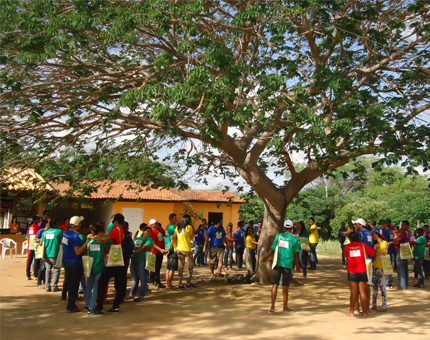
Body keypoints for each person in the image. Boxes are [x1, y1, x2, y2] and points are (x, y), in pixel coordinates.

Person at [261, 219, 301, 314]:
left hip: (277, 263)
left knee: (275, 285)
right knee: (285, 286)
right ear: (292, 228)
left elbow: (272, 250)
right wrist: (298, 266)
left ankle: (272, 307)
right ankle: (285, 308)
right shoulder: (295, 239)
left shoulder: (279, 236)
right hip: (287, 264)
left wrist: (266, 257)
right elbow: (296, 255)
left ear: (284, 227)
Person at [92, 213, 127, 315]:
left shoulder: (116, 230)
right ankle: (116, 306)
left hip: (114, 259)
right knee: (119, 284)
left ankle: (99, 308)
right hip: (121, 259)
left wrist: (94, 237)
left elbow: (104, 239)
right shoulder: (123, 231)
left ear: (116, 221)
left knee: (102, 282)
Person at [62, 216, 90, 312]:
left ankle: (70, 302)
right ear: (78, 225)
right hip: (75, 263)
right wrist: (86, 242)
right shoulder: (75, 237)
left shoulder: (65, 233)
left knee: (69, 283)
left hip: (66, 261)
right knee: (74, 285)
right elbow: (77, 251)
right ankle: (71, 305)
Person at [344, 231, 375, 317]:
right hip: (363, 271)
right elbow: (372, 253)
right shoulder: (363, 246)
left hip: (352, 271)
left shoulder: (347, 247)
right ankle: (365, 311)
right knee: (363, 292)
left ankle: (351, 311)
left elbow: (346, 256)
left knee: (353, 293)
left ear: (350, 239)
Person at [127, 225, 153, 302]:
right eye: (147, 231)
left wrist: (135, 251)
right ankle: (132, 294)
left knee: (143, 278)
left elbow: (146, 247)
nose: (148, 233)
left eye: (150, 232)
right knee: (135, 279)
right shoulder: (137, 239)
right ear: (143, 231)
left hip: (142, 259)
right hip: (134, 259)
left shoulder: (149, 239)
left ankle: (142, 295)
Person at [169, 215, 196, 289]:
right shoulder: (189, 227)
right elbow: (192, 237)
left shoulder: (178, 228)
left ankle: (180, 283)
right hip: (187, 249)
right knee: (190, 266)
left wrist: (169, 247)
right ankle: (188, 283)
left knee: (181, 266)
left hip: (179, 249)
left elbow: (174, 238)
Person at [85, 224, 106, 313]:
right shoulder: (101, 243)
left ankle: (87, 304)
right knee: (96, 287)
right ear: (100, 233)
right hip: (99, 266)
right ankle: (91, 306)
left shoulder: (89, 242)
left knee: (89, 286)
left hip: (90, 266)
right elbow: (103, 254)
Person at [41, 218, 63, 292]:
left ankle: (47, 286)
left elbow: (41, 243)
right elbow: (61, 242)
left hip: (46, 254)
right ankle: (54, 286)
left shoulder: (45, 233)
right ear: (55, 224)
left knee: (48, 270)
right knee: (56, 269)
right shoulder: (59, 232)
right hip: (55, 253)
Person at [391, 220, 412, 290]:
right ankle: (405, 284)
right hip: (406, 252)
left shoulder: (403, 233)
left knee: (401, 268)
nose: (402, 226)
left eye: (403, 225)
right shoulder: (409, 233)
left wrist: (390, 242)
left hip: (401, 251)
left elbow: (398, 240)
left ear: (407, 226)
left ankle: (402, 285)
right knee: (405, 268)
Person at [371, 228, 388, 312]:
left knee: (382, 286)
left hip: (382, 267)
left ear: (377, 234)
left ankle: (384, 305)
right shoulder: (374, 244)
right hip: (375, 266)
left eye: (374, 234)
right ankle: (374, 304)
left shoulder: (385, 243)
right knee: (375, 286)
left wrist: (377, 249)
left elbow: (384, 252)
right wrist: (374, 250)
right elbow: (373, 256)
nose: (373, 236)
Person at [149, 219, 166, 289]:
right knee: (153, 268)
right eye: (154, 223)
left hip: (160, 252)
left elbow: (164, 236)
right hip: (154, 252)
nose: (156, 224)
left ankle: (157, 281)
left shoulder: (160, 229)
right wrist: (160, 249)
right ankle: (152, 281)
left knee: (158, 267)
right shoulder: (151, 231)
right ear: (151, 225)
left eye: (156, 222)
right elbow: (152, 243)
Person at [380, 219, 395, 289]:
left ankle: (387, 282)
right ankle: (390, 282)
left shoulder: (385, 231)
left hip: (386, 251)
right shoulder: (391, 231)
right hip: (391, 250)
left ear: (386, 224)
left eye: (382, 224)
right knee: (389, 266)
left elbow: (384, 241)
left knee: (386, 267)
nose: (381, 226)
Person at [165, 214, 179, 289]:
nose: (176, 220)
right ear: (170, 219)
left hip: (168, 247)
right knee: (172, 268)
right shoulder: (173, 228)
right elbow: (174, 238)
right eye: (174, 218)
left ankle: (168, 283)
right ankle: (169, 284)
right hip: (173, 248)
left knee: (169, 267)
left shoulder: (167, 227)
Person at [26, 216, 41, 280]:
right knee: (36, 260)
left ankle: (28, 275)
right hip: (35, 245)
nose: (39, 221)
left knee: (30, 260)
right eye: (38, 220)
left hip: (30, 245)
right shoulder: (37, 227)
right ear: (35, 220)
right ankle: (36, 274)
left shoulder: (30, 227)